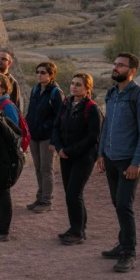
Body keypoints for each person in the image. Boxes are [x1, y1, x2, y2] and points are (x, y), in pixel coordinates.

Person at [97, 53, 140, 273]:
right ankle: (122, 243)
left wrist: (136, 163)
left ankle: (129, 252)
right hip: (111, 158)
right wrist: (101, 154)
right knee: (117, 203)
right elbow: (107, 126)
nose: (116, 68)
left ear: (132, 71)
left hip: (128, 162)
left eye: (121, 65)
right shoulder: (111, 94)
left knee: (124, 205)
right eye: (115, 64)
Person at [52, 73, 103, 246]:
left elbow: (93, 136)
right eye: (73, 83)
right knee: (71, 194)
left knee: (74, 193)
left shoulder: (92, 108)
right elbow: (56, 127)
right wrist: (59, 148)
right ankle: (78, 227)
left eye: (79, 85)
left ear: (88, 88)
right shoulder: (66, 103)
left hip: (83, 158)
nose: (74, 87)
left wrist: (69, 150)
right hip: (65, 155)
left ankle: (77, 232)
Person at [25, 61, 64, 213]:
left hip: (47, 136)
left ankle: (46, 201)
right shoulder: (35, 90)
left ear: (51, 75)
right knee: (38, 168)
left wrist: (54, 137)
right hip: (34, 135)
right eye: (38, 72)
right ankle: (40, 197)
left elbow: (59, 117)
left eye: (43, 73)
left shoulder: (56, 93)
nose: (39, 75)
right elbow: (31, 111)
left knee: (46, 169)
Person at [0, 72, 23, 243]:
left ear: (3, 88)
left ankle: (3, 230)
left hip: (3, 154)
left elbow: (14, 132)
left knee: (3, 193)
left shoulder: (7, 106)